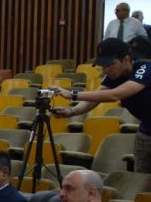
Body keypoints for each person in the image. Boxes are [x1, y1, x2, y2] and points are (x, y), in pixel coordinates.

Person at [52, 38, 151, 173]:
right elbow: (96, 97)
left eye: (110, 65)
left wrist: (72, 94)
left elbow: (114, 95)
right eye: (103, 66)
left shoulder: (145, 68)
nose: (106, 70)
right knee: (140, 178)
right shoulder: (114, 75)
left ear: (126, 60)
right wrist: (72, 111)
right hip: (146, 132)